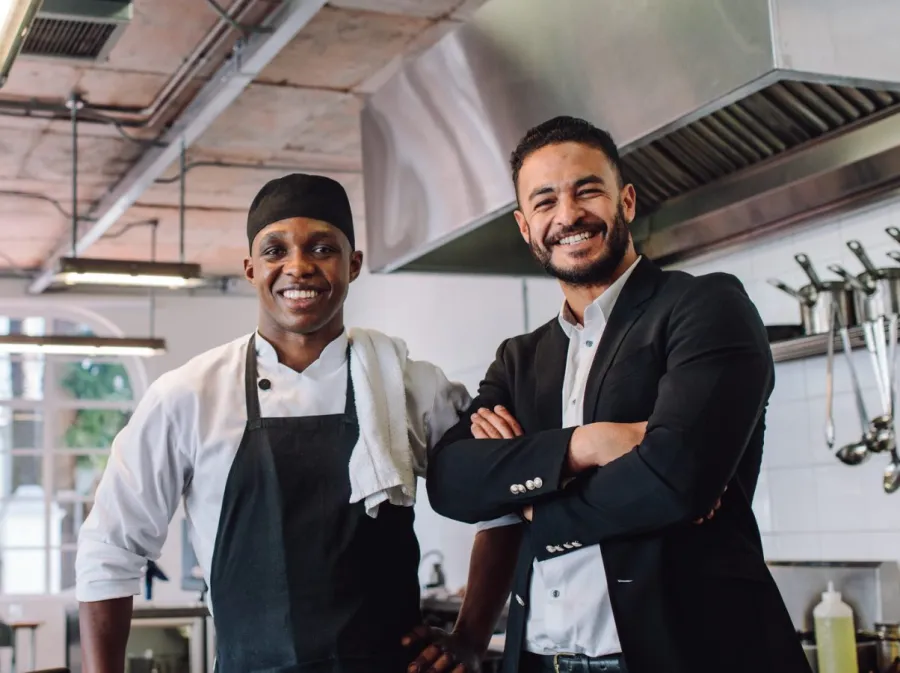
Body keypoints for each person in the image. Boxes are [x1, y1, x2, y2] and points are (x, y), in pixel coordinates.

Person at [422, 117, 811, 673]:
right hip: (538, 661)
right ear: (524, 227)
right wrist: (583, 446)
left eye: (588, 190)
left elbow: (675, 481)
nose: (568, 215)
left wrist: (531, 505)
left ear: (625, 201)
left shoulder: (703, 308)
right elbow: (452, 481)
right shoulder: (520, 358)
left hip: (691, 654)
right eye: (545, 201)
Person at [75, 174, 480, 673]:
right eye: (274, 250)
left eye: (322, 247)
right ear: (250, 268)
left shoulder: (411, 386)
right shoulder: (188, 395)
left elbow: (501, 502)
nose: (298, 266)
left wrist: (473, 634)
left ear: (353, 265)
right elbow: (109, 550)